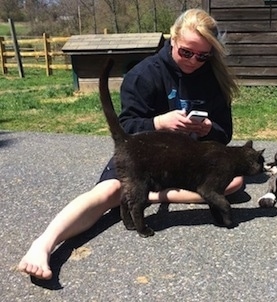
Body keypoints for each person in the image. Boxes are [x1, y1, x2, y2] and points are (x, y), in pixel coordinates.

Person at [18, 8, 241, 280]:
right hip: (144, 154)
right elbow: (126, 128)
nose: (194, 61)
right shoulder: (143, 74)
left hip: (190, 160)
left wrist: (208, 128)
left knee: (233, 182)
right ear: (172, 39)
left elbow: (224, 132)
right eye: (186, 52)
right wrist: (158, 123)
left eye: (203, 55)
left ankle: (147, 195)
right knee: (108, 191)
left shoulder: (212, 77)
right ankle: (43, 243)